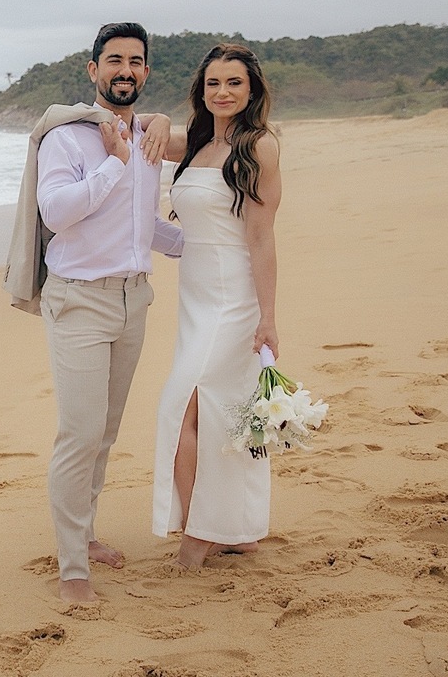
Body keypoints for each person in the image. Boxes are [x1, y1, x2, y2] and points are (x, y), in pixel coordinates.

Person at [7, 22, 183, 603]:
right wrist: (115, 163)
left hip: (134, 298)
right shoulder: (67, 138)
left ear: (146, 71)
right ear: (94, 69)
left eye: (135, 61)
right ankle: (72, 568)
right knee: (79, 434)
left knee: (104, 432)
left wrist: (201, 244)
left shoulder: (150, 137)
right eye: (114, 60)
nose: (124, 71)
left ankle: (85, 533)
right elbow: (57, 213)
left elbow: (141, 224)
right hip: (79, 300)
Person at [150, 43, 282, 569]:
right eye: (213, 83)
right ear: (201, 91)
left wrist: (268, 317)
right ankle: (235, 529)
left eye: (234, 83)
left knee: (182, 408)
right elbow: (137, 134)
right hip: (195, 295)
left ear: (251, 90)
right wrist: (161, 118)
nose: (222, 92)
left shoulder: (259, 147)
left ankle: (197, 534)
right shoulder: (197, 142)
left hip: (234, 299)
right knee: (223, 415)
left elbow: (262, 238)